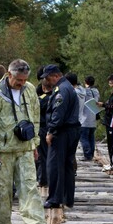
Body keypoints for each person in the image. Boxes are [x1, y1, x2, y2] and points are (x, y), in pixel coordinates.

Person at [0, 59, 51, 224]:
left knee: (29, 187)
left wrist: (34, 144)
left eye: (24, 79)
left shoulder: (29, 90)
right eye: (18, 80)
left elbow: (35, 118)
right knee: (2, 190)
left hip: (24, 148)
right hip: (2, 151)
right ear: (9, 75)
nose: (21, 83)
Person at [42, 65, 81, 208]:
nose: (46, 81)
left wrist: (51, 131)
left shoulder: (61, 90)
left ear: (54, 76)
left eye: (47, 77)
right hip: (72, 130)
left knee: (55, 165)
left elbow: (58, 113)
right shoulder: (68, 87)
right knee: (67, 165)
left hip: (63, 131)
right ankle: (67, 197)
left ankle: (54, 199)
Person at [35, 66, 54, 187]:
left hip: (42, 128)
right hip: (52, 128)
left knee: (42, 156)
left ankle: (43, 179)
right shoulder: (56, 97)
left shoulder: (41, 100)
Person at [80, 76, 100, 161]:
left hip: (85, 119)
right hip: (93, 118)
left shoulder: (84, 91)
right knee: (91, 137)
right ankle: (91, 154)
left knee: (84, 138)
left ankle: (87, 155)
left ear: (86, 82)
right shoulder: (96, 91)